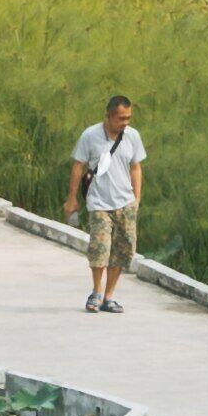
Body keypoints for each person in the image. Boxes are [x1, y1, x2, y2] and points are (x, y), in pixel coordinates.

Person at [67, 94, 146, 315]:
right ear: (108, 116)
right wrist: (72, 198)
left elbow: (136, 167)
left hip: (126, 203)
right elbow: (78, 166)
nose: (125, 123)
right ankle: (96, 291)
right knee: (99, 248)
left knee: (122, 250)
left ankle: (109, 296)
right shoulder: (90, 136)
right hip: (99, 202)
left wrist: (136, 199)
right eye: (120, 118)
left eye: (128, 118)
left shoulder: (132, 137)